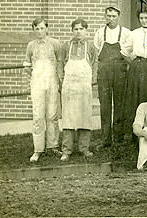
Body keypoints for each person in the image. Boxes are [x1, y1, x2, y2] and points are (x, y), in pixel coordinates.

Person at [24, 17, 64, 162]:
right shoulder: (31, 46)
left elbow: (60, 62)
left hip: (52, 82)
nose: (40, 31)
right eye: (37, 29)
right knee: (38, 116)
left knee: (52, 115)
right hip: (37, 83)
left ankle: (53, 146)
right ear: (33, 30)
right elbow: (27, 65)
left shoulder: (55, 43)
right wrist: (32, 80)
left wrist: (59, 80)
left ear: (46, 28)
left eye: (42, 28)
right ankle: (38, 149)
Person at [93, 6, 132, 149]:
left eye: (114, 16)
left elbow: (128, 54)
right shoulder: (99, 33)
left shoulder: (126, 33)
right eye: (108, 16)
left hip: (120, 73)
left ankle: (119, 138)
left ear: (118, 16)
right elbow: (97, 53)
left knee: (119, 104)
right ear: (105, 16)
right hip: (104, 73)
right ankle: (105, 139)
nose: (111, 19)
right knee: (105, 105)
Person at [60, 18, 98, 162]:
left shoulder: (91, 47)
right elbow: (60, 63)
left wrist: (93, 80)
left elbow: (95, 64)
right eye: (76, 29)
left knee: (84, 116)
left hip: (84, 86)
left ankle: (84, 148)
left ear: (86, 30)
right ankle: (67, 150)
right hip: (69, 86)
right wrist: (61, 79)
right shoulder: (66, 47)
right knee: (68, 117)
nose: (78, 32)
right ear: (72, 31)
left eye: (81, 29)